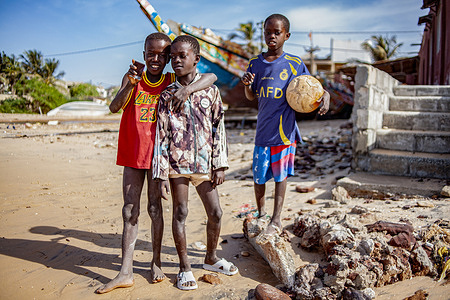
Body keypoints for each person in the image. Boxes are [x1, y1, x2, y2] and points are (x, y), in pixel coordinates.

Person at [96, 32, 217, 294]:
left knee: (154, 209)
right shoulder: (133, 80)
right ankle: (125, 271)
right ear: (143, 54)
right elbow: (114, 107)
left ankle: (156, 261)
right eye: (150, 53)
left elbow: (211, 77)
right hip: (131, 154)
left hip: (158, 158)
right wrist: (129, 83)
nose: (156, 58)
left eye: (162, 54)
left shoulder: (171, 80)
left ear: (168, 58)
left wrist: (187, 89)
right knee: (129, 210)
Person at [153, 35, 238, 291]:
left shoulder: (211, 91)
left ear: (196, 59)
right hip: (177, 165)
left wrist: (220, 163)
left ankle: (211, 257)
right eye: (174, 57)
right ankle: (184, 267)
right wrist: (160, 173)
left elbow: (218, 127)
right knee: (180, 212)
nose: (177, 61)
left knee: (216, 212)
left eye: (183, 56)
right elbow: (161, 136)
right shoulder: (166, 95)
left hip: (205, 165)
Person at [241, 14, 330, 239]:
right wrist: (247, 86)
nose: (271, 36)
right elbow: (251, 96)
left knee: (281, 177)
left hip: (284, 132)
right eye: (267, 32)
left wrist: (326, 97)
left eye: (276, 32)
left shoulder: (294, 63)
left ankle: (276, 219)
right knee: (259, 176)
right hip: (263, 130)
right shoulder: (255, 63)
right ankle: (261, 214)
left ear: (286, 35)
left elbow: (313, 89)